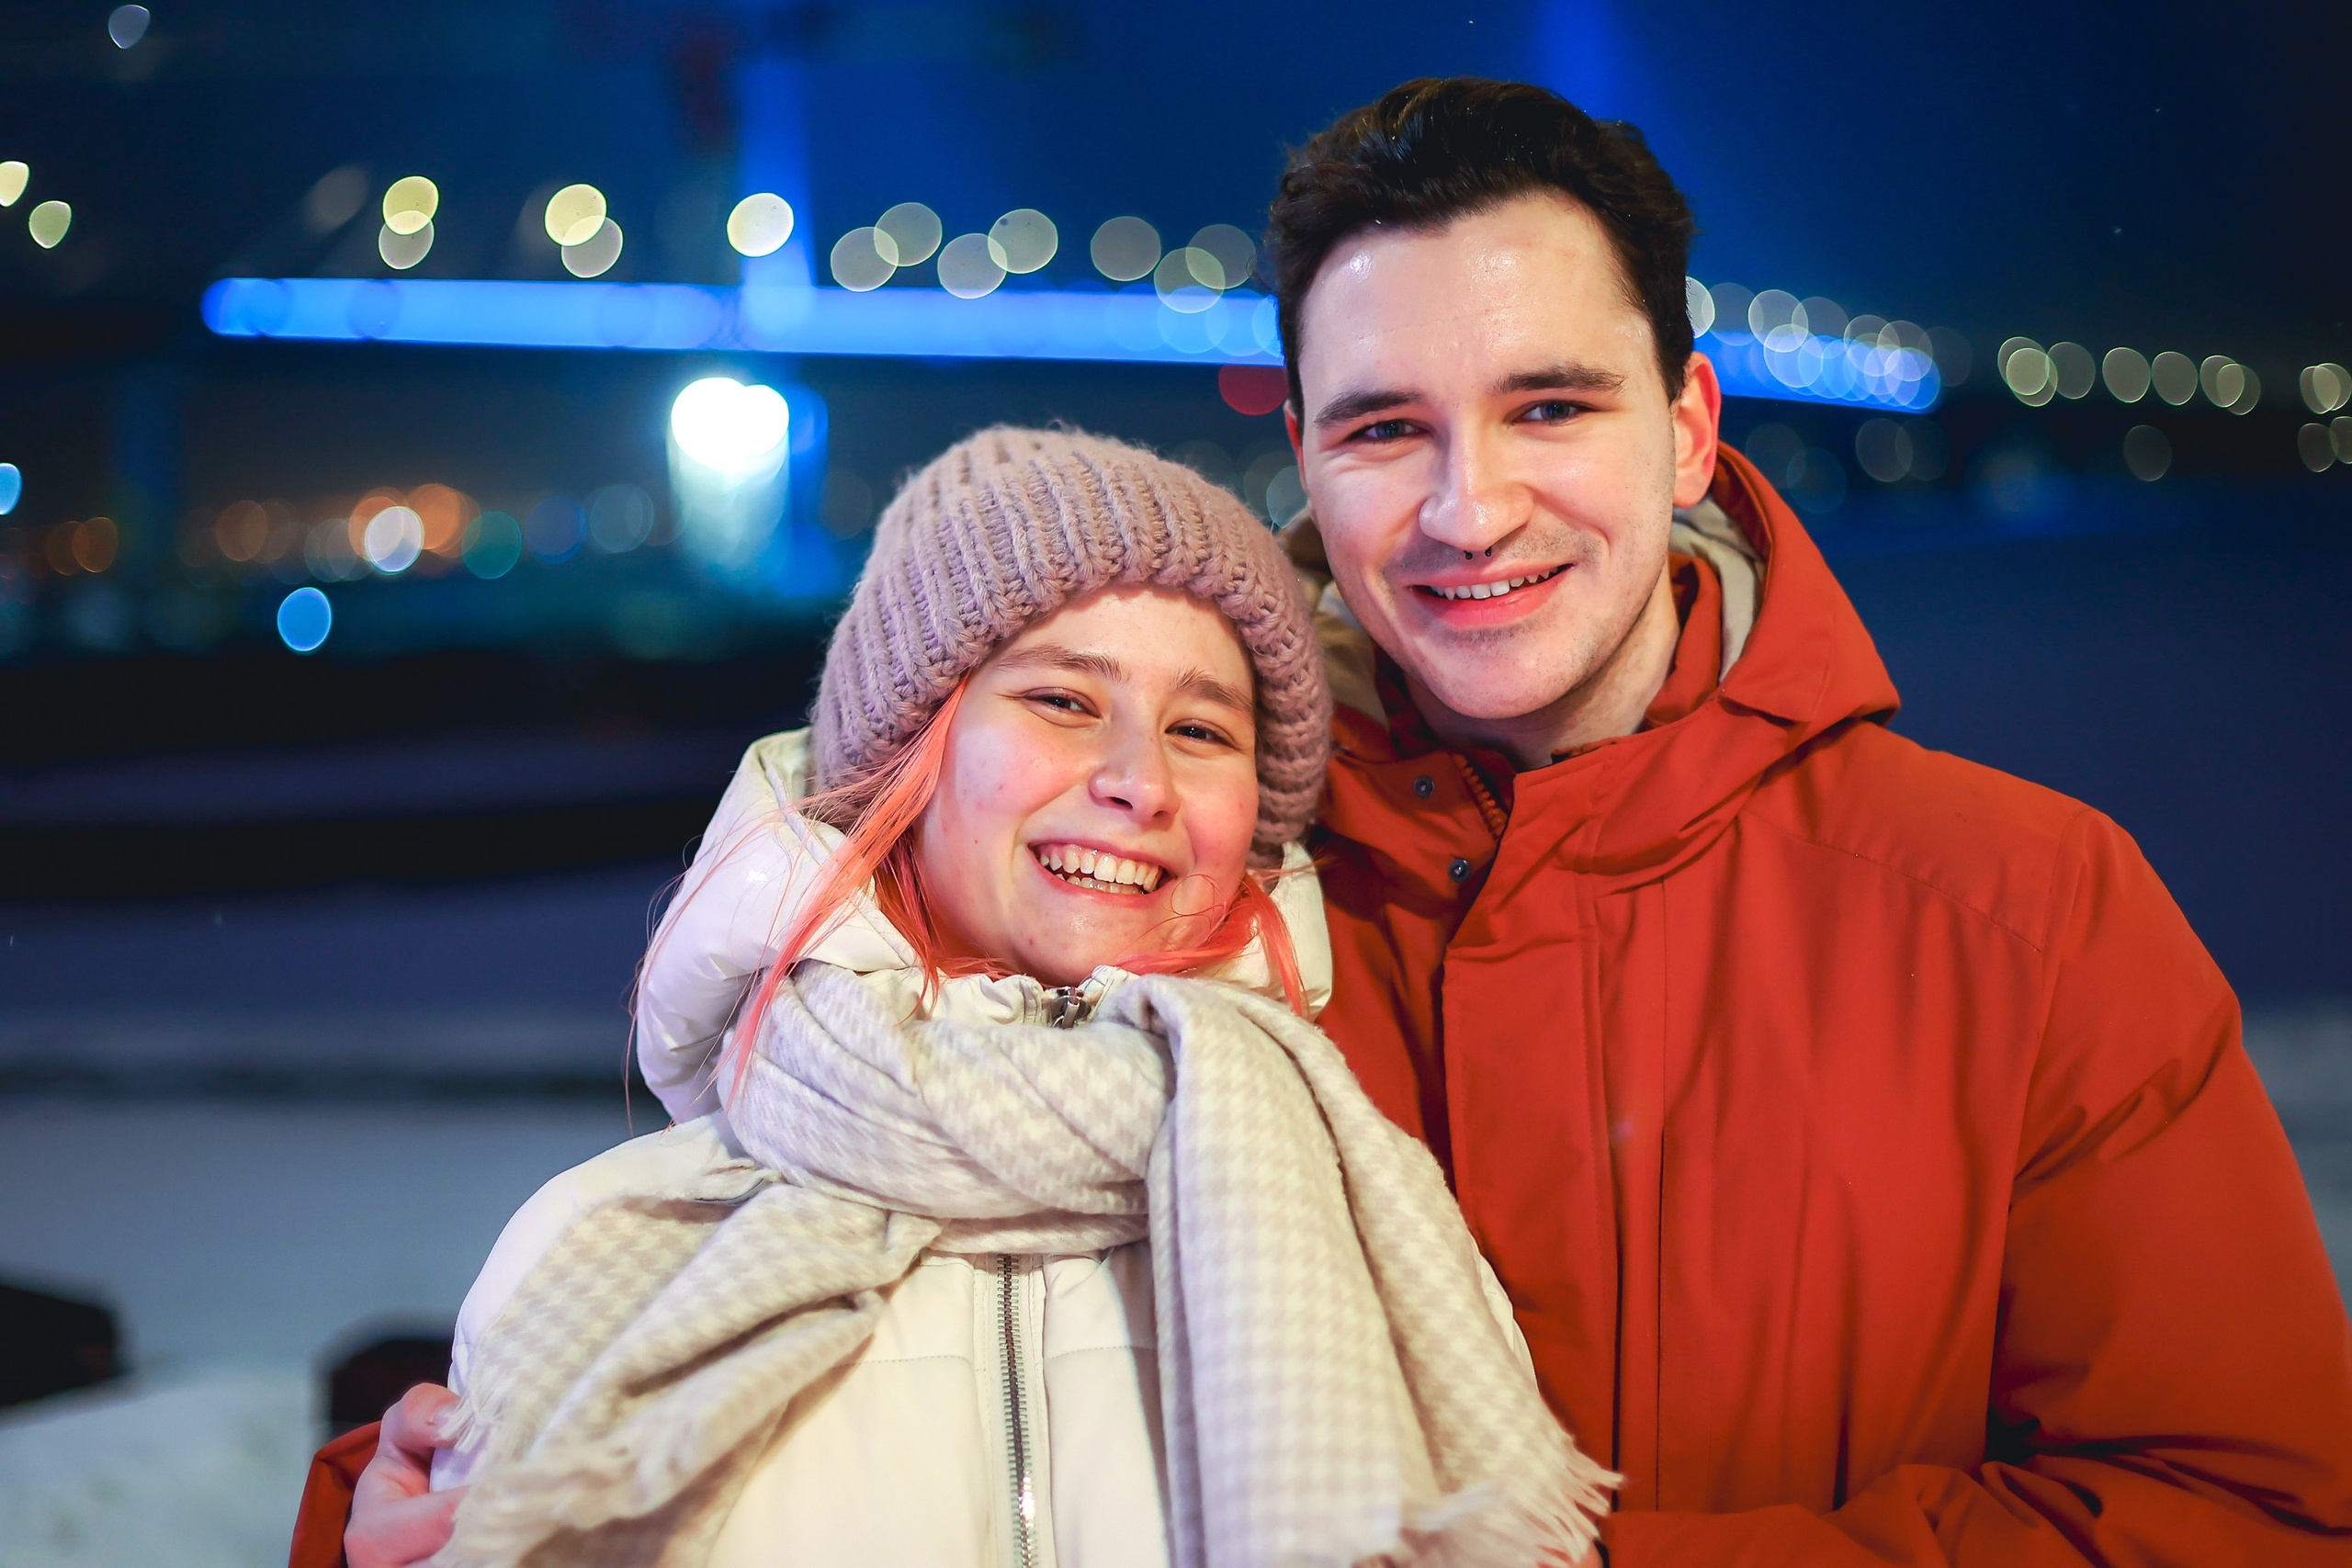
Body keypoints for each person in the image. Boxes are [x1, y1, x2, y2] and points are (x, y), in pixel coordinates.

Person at [322, 77, 2352, 1567]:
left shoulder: (2019, 914)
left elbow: (2240, 1507)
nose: (1466, 511)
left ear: (1691, 425)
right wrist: (414, 1490)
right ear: (1296, 444)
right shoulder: (1167, 916)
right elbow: (839, 1292)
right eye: (1385, 428)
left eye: (1548, 405)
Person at [313, 426, 1611, 1568]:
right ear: (910, 753)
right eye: (1061, 700)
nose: (1138, 783)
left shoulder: (1367, 1224)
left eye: (1203, 729)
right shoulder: (612, 1241)